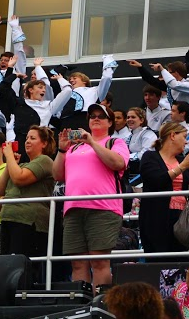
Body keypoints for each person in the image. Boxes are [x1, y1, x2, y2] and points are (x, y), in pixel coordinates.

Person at [54, 104, 129, 288]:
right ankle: (82, 309)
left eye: (100, 116)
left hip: (103, 208)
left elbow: (118, 163)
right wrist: (62, 150)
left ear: (110, 123)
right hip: (72, 208)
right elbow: (57, 175)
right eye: (92, 116)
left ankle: (99, 307)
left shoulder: (115, 142)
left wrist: (92, 143)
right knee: (77, 264)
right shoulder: (74, 147)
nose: (95, 119)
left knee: (99, 262)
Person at [0, 126, 55, 259]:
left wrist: (9, 156)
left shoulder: (45, 161)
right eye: (27, 138)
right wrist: (11, 164)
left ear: (44, 143)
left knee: (21, 264)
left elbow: (19, 179)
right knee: (7, 264)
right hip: (9, 219)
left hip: (28, 222)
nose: (27, 141)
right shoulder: (21, 166)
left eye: (32, 138)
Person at [139, 122, 189, 258]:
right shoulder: (150, 156)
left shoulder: (182, 160)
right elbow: (156, 180)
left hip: (181, 218)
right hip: (156, 217)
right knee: (158, 258)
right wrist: (182, 166)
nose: (186, 142)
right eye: (184, 137)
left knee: (181, 259)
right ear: (173, 135)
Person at [125, 107, 158, 176]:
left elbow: (146, 153)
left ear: (141, 120)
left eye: (133, 117)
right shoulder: (130, 136)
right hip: (133, 170)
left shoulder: (148, 134)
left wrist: (125, 157)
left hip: (146, 171)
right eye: (128, 117)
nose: (129, 119)